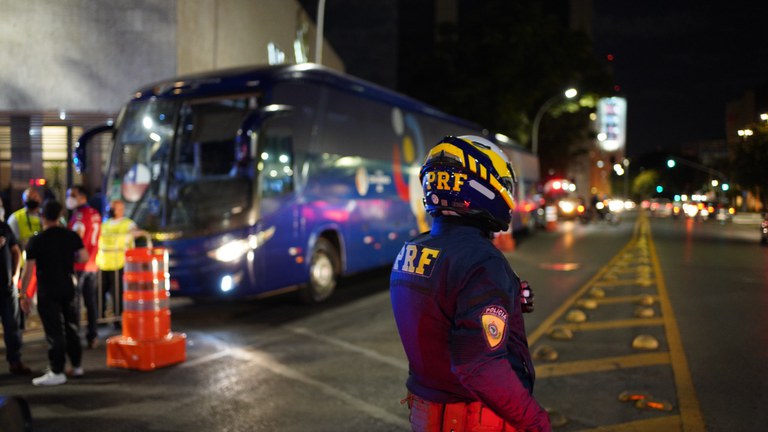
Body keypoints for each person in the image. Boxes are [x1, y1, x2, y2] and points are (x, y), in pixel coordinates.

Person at [390, 135, 551, 432]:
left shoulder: (411, 250)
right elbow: (479, 367)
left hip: (427, 411)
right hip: (472, 416)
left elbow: (440, 309)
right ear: (482, 186)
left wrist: (509, 297)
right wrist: (535, 422)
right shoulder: (481, 261)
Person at [20, 200, 87, 386]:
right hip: (67, 285)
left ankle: (57, 370)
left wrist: (22, 293)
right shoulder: (71, 236)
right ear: (60, 215)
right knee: (71, 326)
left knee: (54, 331)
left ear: (42, 216)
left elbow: (28, 270)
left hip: (47, 289)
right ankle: (77, 365)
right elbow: (84, 256)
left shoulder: (36, 240)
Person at [95, 199, 142, 327]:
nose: (111, 210)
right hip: (103, 262)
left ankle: (118, 319)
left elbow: (136, 233)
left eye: (114, 207)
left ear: (121, 209)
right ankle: (100, 318)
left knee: (117, 293)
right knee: (99, 292)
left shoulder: (128, 224)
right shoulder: (105, 224)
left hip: (119, 263)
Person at [66, 186, 101, 349]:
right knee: (90, 302)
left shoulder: (79, 215)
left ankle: (75, 338)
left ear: (82, 197)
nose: (69, 198)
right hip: (93, 264)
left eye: (72, 195)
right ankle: (92, 336)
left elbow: (76, 237)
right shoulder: (95, 213)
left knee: (75, 302)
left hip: (79, 263)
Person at [0, 219, 30, 375]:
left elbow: (16, 250)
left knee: (13, 326)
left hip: (7, 287)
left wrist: (16, 274)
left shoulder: (4, 227)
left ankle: (15, 361)